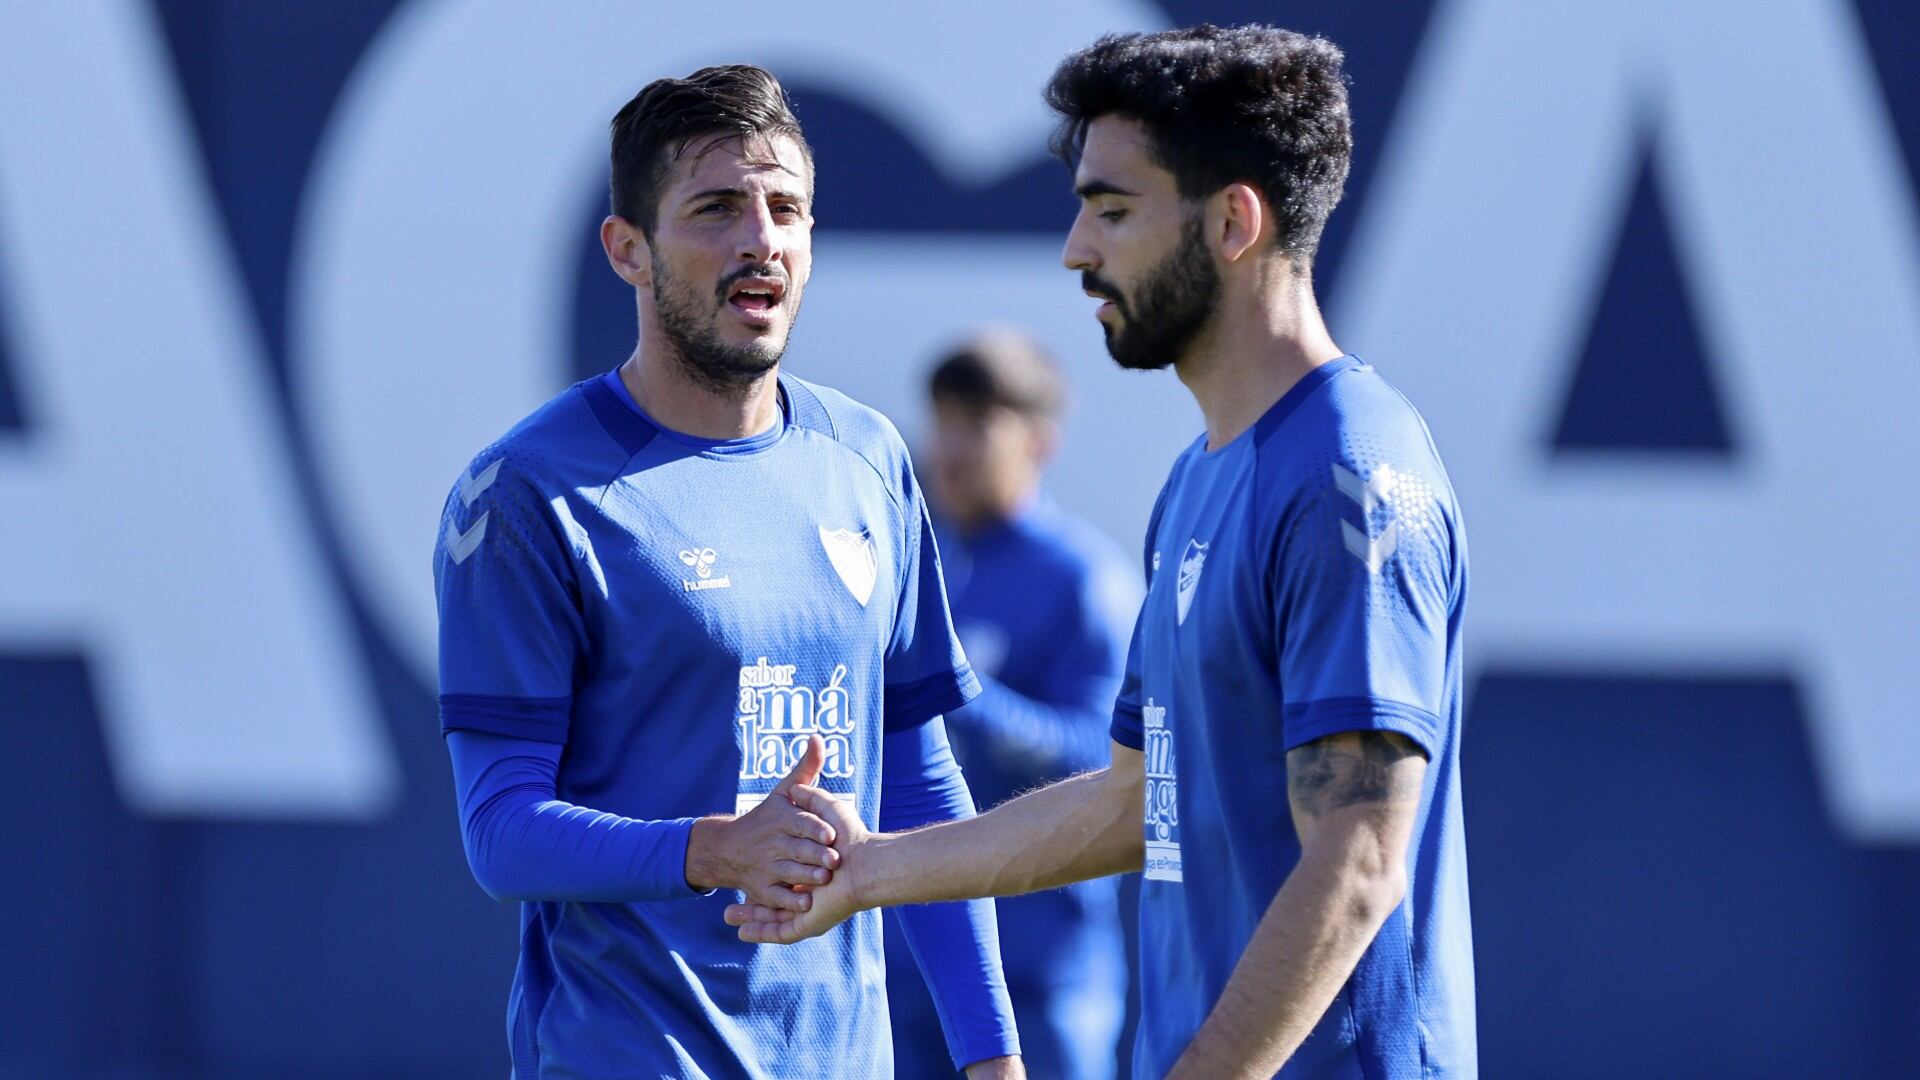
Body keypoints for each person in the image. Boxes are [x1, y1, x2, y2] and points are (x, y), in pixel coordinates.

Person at [726, 26, 1475, 1079]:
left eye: (1113, 211)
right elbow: (1129, 799)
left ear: (1233, 222)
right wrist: (871, 869)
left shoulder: (1347, 477)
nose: (1077, 249)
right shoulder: (1200, 480)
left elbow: (1357, 859)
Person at [432, 65, 1022, 1079]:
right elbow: (501, 833)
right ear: (629, 250)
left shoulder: (871, 459)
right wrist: (714, 849)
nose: (762, 240)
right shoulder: (528, 494)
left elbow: (921, 785)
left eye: (785, 208)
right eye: (716, 209)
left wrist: (991, 1055)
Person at [883, 331, 1137, 1080]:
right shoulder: (923, 564)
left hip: (1043, 974)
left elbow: (1107, 763)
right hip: (916, 963)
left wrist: (952, 688)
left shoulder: (1084, 582)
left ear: (1039, 441)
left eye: (975, 423)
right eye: (941, 421)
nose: (949, 447)